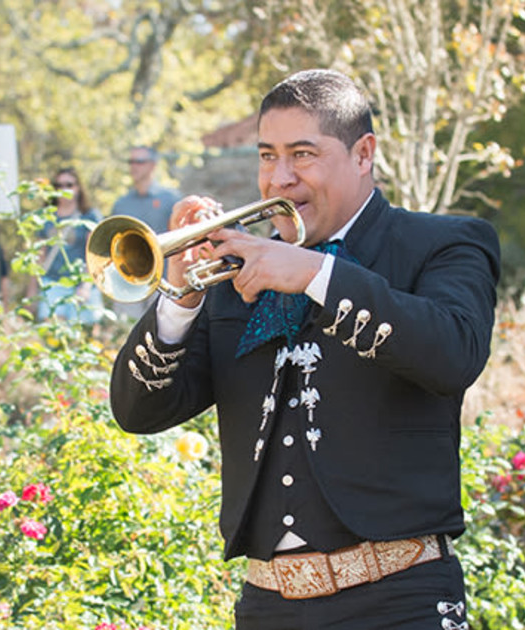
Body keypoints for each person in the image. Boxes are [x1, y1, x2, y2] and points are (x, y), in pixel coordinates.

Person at [108, 69, 500, 629]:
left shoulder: (443, 243)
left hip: (400, 600)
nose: (279, 179)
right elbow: (138, 411)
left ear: (363, 154)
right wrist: (181, 294)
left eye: (303, 155)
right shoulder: (237, 273)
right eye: (267, 156)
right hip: (269, 608)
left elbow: (454, 352)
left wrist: (318, 274)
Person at [108, 146, 181, 319]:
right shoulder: (121, 204)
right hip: (128, 282)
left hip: (162, 282)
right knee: (127, 332)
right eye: (131, 162)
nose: (134, 166)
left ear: (152, 165)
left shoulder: (170, 199)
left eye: (139, 161)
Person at [29, 167, 103, 324]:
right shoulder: (45, 217)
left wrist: (86, 286)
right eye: (59, 185)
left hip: (81, 284)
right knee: (54, 334)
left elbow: (95, 254)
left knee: (84, 334)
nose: (64, 189)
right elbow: (39, 257)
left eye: (69, 184)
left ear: (78, 187)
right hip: (53, 284)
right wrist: (32, 291)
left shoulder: (89, 216)